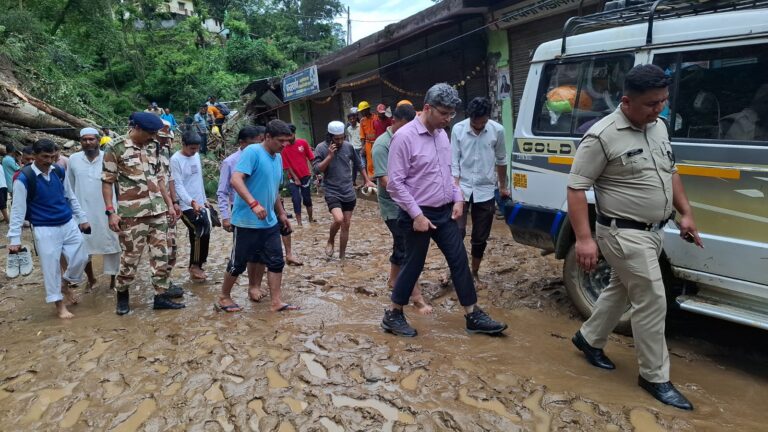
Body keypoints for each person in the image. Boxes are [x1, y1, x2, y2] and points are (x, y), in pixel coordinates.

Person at [567, 64, 703, 410]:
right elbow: (576, 188)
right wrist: (584, 239)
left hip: (653, 231)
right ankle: (654, 376)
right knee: (653, 299)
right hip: (621, 234)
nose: (660, 109)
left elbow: (670, 172)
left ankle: (588, 338)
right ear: (627, 101)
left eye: (664, 101)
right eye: (652, 103)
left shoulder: (658, 128)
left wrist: (684, 212)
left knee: (621, 288)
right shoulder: (602, 136)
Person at [383, 83, 508, 337]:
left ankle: (472, 314)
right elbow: (395, 184)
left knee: (459, 259)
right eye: (444, 113)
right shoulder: (404, 137)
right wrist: (416, 215)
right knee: (413, 264)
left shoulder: (441, 135)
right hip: (417, 213)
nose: (448, 119)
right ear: (427, 108)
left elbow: (448, 173)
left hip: (444, 210)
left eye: (451, 114)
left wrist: (458, 198)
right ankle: (394, 313)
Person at [102, 112, 184, 315]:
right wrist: (111, 212)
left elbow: (160, 179)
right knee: (130, 258)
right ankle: (122, 295)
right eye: (150, 133)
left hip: (158, 211)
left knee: (161, 256)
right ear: (137, 128)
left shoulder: (154, 146)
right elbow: (107, 181)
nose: (154, 137)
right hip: (132, 214)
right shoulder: (116, 147)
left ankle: (160, 297)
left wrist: (170, 205)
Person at [216, 120, 297, 313]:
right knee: (238, 263)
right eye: (281, 141)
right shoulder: (252, 152)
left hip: (269, 221)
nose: (285, 145)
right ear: (267, 137)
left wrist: (281, 213)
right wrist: (253, 203)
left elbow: (273, 190)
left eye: (288, 141)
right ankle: (224, 297)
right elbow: (236, 180)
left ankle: (276, 301)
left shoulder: (277, 157)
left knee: (276, 261)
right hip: (246, 221)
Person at [7, 139, 90, 319]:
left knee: (82, 256)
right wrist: (14, 239)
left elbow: (70, 196)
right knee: (51, 267)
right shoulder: (24, 178)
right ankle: (59, 307)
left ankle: (64, 283)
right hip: (44, 227)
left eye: (52, 156)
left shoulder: (59, 171)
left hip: (67, 221)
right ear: (34, 156)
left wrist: (82, 218)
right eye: (45, 156)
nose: (49, 160)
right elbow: (18, 210)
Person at [372, 103, 432, 315]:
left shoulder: (411, 137)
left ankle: (393, 280)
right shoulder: (381, 146)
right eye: (405, 126)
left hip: (411, 204)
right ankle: (416, 298)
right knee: (408, 249)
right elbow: (387, 181)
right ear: (394, 122)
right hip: (393, 206)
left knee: (402, 244)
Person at [451, 97, 509, 287]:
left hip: (486, 190)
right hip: (462, 189)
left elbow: (501, 160)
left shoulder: (497, 130)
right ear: (470, 118)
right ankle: (454, 271)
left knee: (480, 237)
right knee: (456, 232)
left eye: (483, 122)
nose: (479, 126)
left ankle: (474, 273)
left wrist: (503, 186)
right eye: (476, 123)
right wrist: (455, 191)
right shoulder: (458, 129)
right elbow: (454, 163)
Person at [217, 126, 269, 301]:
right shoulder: (230, 162)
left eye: (259, 142)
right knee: (241, 254)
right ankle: (225, 295)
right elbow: (222, 192)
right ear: (242, 143)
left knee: (260, 253)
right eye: (253, 144)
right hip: (239, 211)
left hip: (262, 210)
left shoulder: (264, 156)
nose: (257, 147)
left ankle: (254, 286)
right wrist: (225, 216)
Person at [313, 121, 375, 259]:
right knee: (339, 219)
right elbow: (316, 169)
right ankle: (330, 240)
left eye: (342, 138)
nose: (340, 141)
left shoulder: (348, 147)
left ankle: (342, 257)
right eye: (336, 139)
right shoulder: (321, 148)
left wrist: (367, 180)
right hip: (331, 190)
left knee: (346, 224)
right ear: (329, 137)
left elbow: (359, 164)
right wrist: (329, 156)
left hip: (348, 191)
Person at [68, 128, 122, 290]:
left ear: (99, 141)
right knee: (83, 247)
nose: (88, 142)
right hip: (82, 211)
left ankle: (113, 279)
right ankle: (91, 279)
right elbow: (69, 186)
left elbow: (117, 184)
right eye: (84, 139)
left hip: (107, 210)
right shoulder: (73, 159)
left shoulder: (109, 157)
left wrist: (119, 208)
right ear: (80, 142)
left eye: (91, 139)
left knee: (113, 244)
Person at [172, 131, 212, 281]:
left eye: (197, 149)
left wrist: (204, 199)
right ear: (183, 144)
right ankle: (194, 265)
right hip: (185, 204)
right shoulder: (175, 160)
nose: (194, 152)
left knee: (206, 231)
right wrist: (191, 202)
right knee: (198, 230)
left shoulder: (195, 156)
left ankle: (200, 264)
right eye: (191, 149)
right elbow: (178, 185)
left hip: (199, 202)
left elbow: (198, 179)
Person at [282, 124, 315, 227]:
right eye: (287, 135)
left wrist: (315, 172)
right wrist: (295, 178)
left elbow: (311, 157)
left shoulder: (303, 143)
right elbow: (286, 166)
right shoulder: (283, 148)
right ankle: (299, 223)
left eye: (290, 135)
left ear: (294, 133)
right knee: (296, 200)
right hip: (293, 178)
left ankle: (310, 218)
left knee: (307, 199)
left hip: (306, 176)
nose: (288, 138)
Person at [358, 101, 376, 178]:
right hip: (368, 144)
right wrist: (363, 147)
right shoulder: (362, 121)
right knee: (369, 162)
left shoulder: (376, 118)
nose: (361, 112)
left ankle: (379, 176)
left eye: (363, 111)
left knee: (377, 159)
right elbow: (362, 135)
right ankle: (372, 179)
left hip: (376, 142)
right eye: (361, 111)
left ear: (368, 109)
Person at [346, 108, 362, 185]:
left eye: (353, 118)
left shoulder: (360, 126)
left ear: (356, 118)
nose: (352, 120)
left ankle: (366, 181)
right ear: (348, 120)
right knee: (354, 166)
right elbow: (350, 139)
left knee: (362, 165)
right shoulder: (348, 129)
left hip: (360, 148)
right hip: (353, 149)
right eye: (350, 119)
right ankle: (353, 181)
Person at [0, 145, 8, 223]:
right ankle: (6, 218)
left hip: (3, 185)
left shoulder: (2, 163)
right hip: (3, 185)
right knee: (3, 203)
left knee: (3, 203)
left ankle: (6, 218)